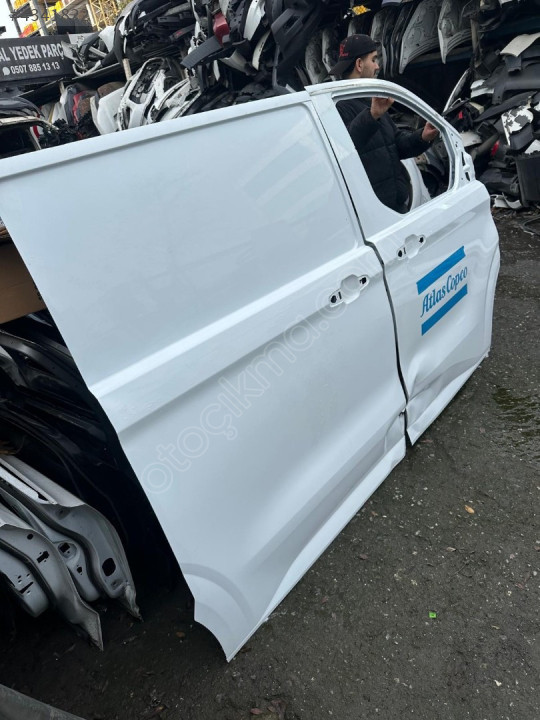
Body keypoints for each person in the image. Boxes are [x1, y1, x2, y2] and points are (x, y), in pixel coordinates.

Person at [330, 34, 439, 213]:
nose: (377, 66)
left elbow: (397, 145)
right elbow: (347, 147)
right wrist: (372, 115)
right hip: (375, 214)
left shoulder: (369, 100)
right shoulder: (337, 106)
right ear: (359, 64)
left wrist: (423, 137)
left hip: (396, 207)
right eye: (373, 60)